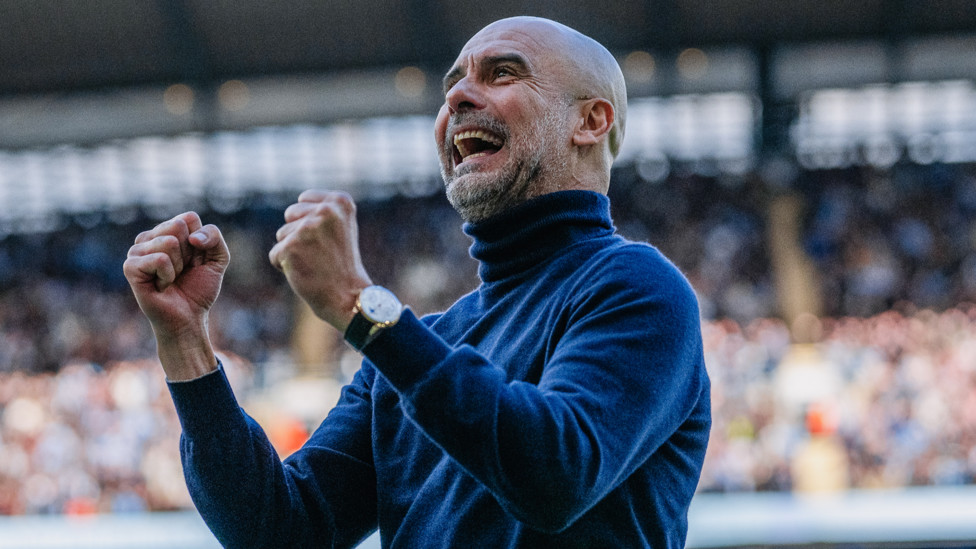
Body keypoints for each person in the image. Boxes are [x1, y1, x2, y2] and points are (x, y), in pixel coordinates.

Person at [123, 16, 711, 548]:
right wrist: (185, 343)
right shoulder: (412, 351)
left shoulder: (638, 287)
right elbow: (279, 530)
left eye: (502, 73)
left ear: (590, 120)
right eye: (452, 83)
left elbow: (554, 476)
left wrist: (362, 307)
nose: (456, 95)